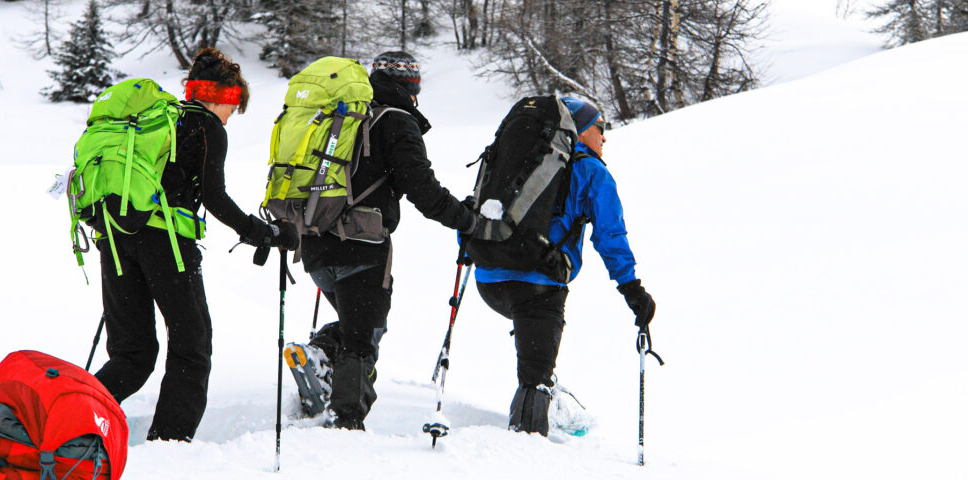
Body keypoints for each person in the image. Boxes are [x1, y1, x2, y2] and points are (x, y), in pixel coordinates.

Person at [93, 48, 299, 442]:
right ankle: (169, 442)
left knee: (132, 354)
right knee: (192, 343)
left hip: (115, 237)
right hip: (166, 244)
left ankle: (66, 414)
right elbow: (215, 197)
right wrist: (265, 234)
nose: (231, 116)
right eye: (234, 105)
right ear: (224, 96)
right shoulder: (205, 127)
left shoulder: (156, 124)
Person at [295, 50, 479, 431]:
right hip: (362, 244)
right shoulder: (396, 122)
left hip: (313, 243)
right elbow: (423, 191)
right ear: (410, 86)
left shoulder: (340, 115)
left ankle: (319, 356)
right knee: (364, 338)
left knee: (356, 324)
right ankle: (344, 423)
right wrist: (467, 219)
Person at [472, 95, 656, 437]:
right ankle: (523, 450)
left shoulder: (515, 158)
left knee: (535, 348)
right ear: (583, 130)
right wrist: (633, 289)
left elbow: (480, 208)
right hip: (539, 285)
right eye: (600, 127)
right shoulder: (592, 170)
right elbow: (610, 236)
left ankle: (547, 392)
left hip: (488, 279)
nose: (604, 137)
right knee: (533, 378)